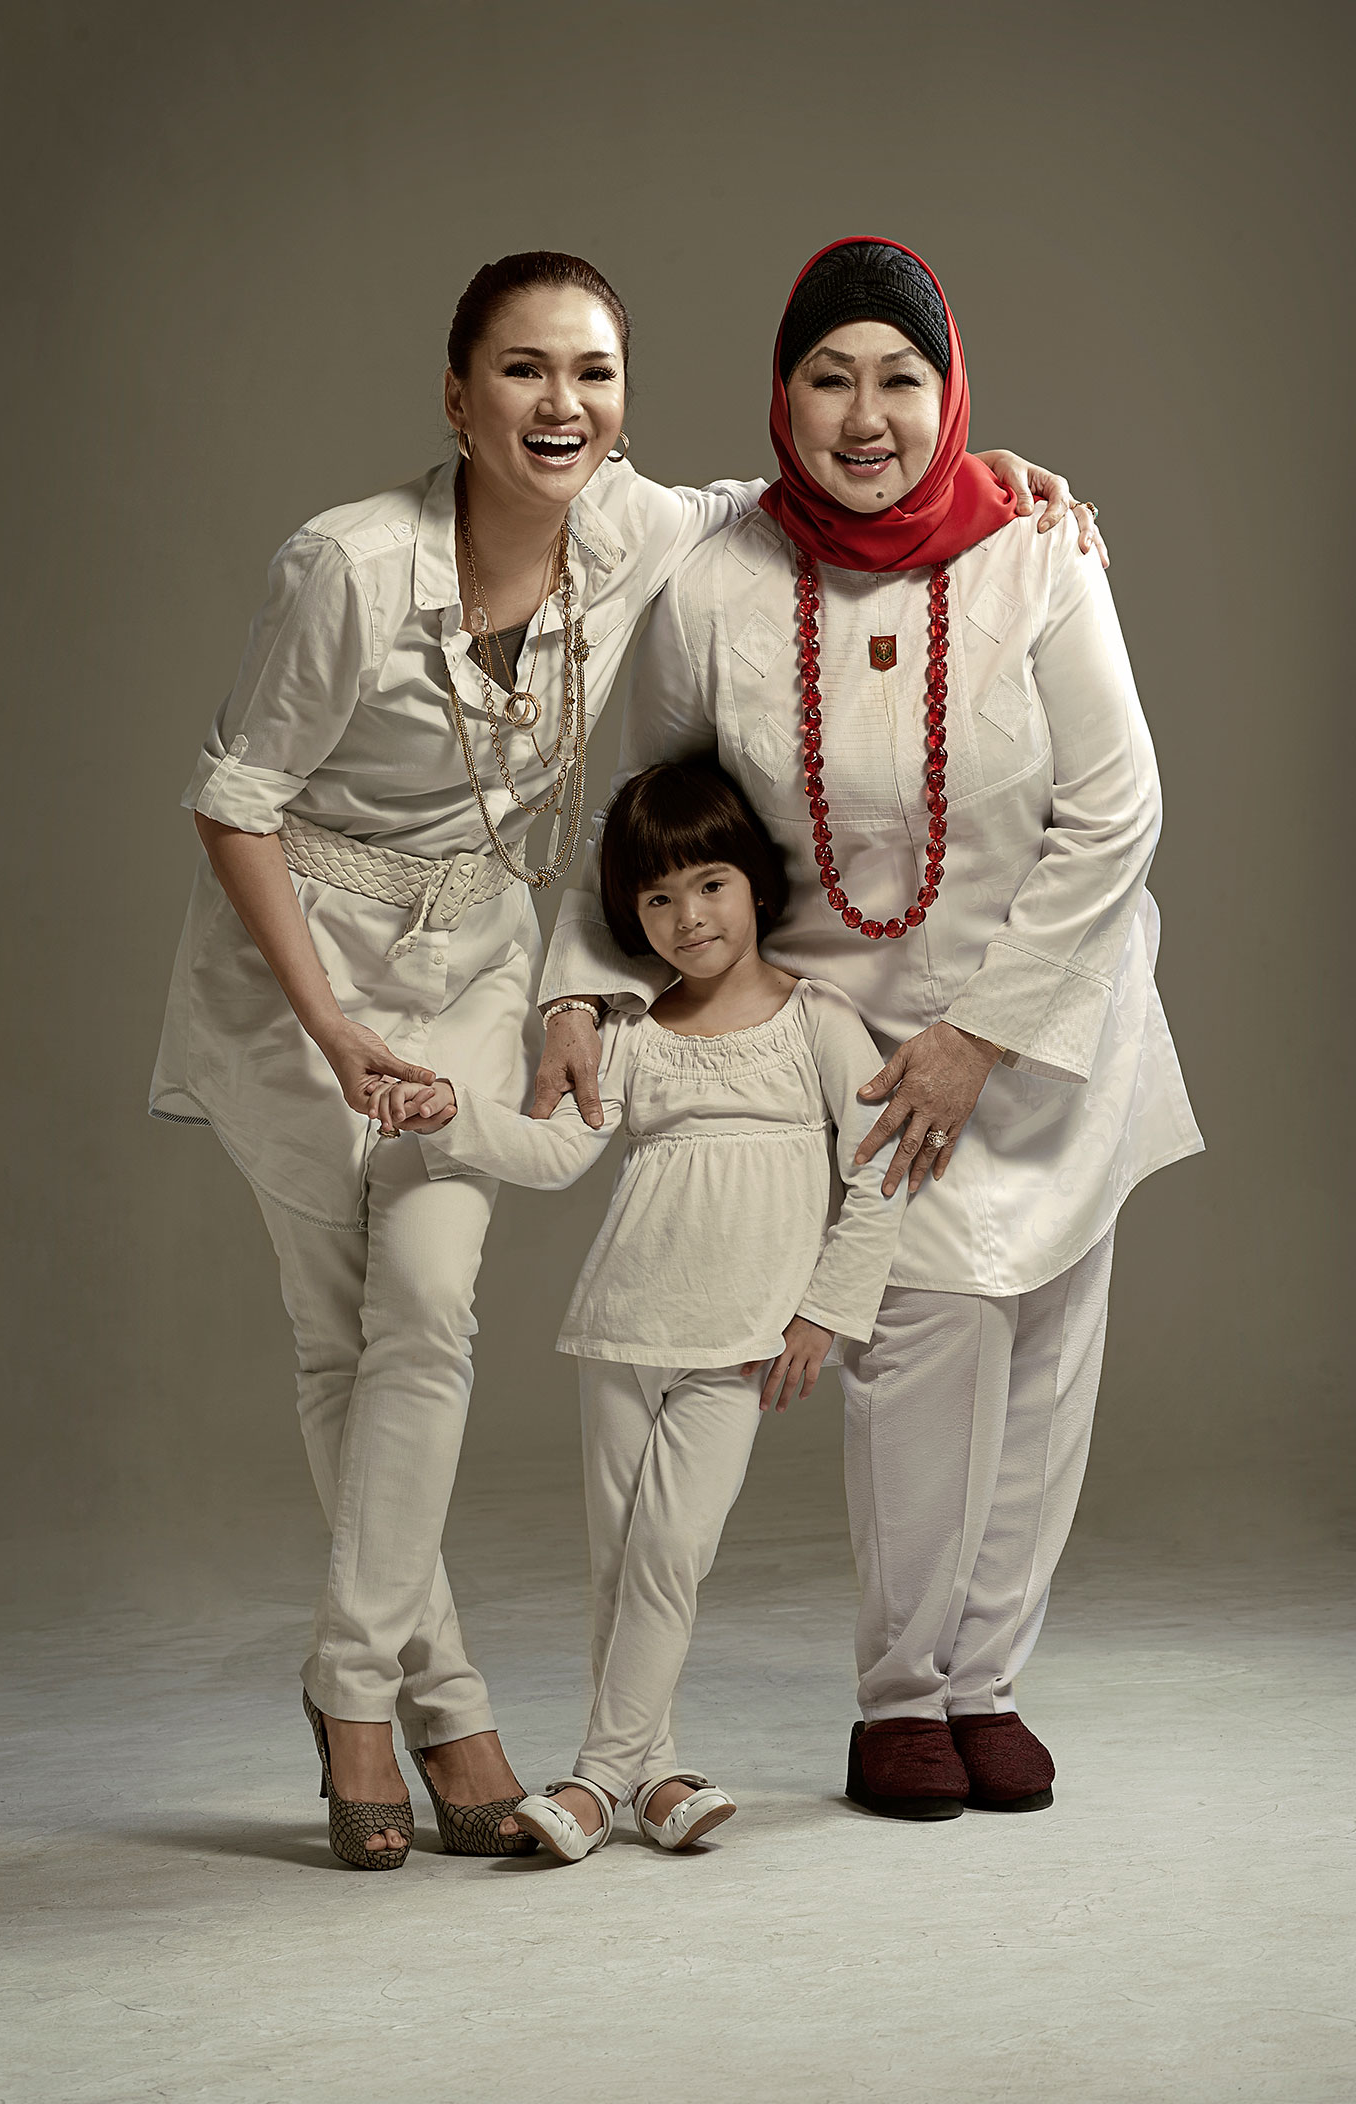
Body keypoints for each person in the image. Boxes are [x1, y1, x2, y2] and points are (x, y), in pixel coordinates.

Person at [149, 242, 1100, 1867]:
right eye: (522, 368)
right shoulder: (346, 566)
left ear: (625, 403)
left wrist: (976, 470)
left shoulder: (644, 526)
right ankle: (420, 1698)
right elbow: (236, 805)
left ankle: (367, 1678)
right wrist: (331, 1027)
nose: (561, 402)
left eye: (592, 372)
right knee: (340, 1337)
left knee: (426, 1312)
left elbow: (814, 487)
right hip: (300, 971)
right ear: (457, 395)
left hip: (472, 973)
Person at [535, 237, 1203, 1822]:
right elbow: (655, 815)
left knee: (1045, 1358)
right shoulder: (719, 578)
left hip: (1051, 1019)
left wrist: (987, 1035)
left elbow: (1117, 810)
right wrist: (580, 978)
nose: (864, 415)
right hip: (859, 1048)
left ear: (950, 393)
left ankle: (990, 1684)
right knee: (915, 1353)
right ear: (782, 397)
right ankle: (903, 1695)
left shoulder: (1039, 552)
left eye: (901, 379)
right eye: (828, 378)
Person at [369, 760, 903, 1861]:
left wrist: (825, 1315)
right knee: (618, 1565)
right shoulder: (632, 1028)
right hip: (620, 1329)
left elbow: (878, 1177)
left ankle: (595, 1779)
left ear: (755, 883)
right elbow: (555, 1152)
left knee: (668, 1553)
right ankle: (654, 1775)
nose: (687, 918)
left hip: (738, 1344)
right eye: (657, 899)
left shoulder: (817, 1020)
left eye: (709, 886)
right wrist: (452, 1111)